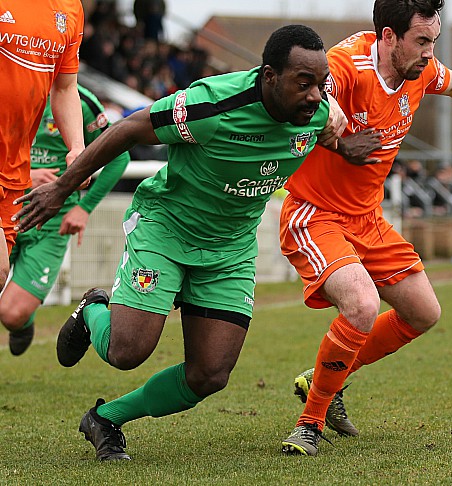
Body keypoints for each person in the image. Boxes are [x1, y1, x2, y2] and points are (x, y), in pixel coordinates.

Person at [13, 24, 345, 461]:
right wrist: (62, 189)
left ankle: (105, 418)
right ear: (268, 75)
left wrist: (345, 136)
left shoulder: (317, 111)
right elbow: (130, 128)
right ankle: (94, 307)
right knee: (126, 351)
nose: (314, 95)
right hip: (165, 229)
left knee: (210, 374)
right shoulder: (212, 104)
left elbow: (338, 99)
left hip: (230, 248)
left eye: (321, 86)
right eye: (304, 84)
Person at [278, 0, 452, 456]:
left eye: (433, 41)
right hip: (314, 213)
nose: (429, 52)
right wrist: (335, 136)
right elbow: (304, 97)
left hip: (367, 219)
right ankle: (309, 423)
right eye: (422, 41)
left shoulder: (421, 70)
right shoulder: (346, 65)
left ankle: (324, 381)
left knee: (424, 312)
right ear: (388, 37)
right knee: (361, 304)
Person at [0, 84, 130, 356]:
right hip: (5, 206)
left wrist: (84, 208)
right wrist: (26, 176)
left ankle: (24, 321)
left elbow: (120, 156)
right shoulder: (9, 89)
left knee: (11, 315)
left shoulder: (81, 102)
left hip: (51, 221)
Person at [0, 0, 86, 292]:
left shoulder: (71, 8)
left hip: (12, 171)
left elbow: (64, 87)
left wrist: (76, 146)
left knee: (1, 275)